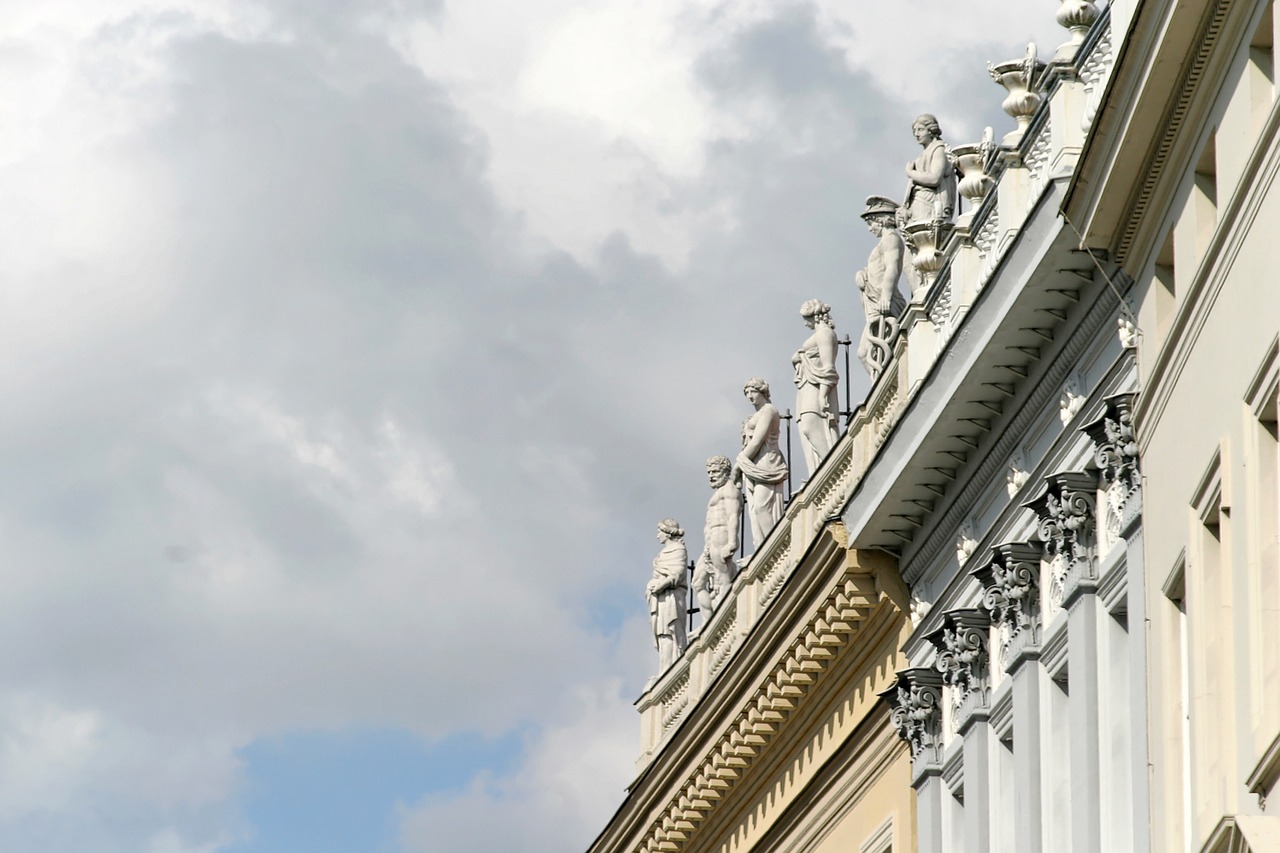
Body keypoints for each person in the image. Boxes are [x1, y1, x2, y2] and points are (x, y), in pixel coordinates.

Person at [856, 196, 909, 379]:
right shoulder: (884, 242)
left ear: (881, 220)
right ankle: (887, 382)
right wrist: (862, 275)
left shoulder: (891, 239)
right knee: (865, 353)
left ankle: (895, 381)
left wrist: (886, 296)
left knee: (877, 350)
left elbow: (892, 268)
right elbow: (877, 270)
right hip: (876, 302)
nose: (871, 228)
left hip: (886, 303)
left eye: (872, 223)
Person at [736, 379, 788, 553]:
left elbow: (758, 440)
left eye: (753, 392)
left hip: (767, 463)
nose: (750, 396)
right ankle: (762, 549)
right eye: (747, 393)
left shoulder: (769, 411)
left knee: (761, 507)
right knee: (753, 510)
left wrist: (738, 464)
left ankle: (776, 549)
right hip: (754, 463)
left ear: (762, 392)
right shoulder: (756, 415)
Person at [792, 300, 840, 477]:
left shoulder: (825, 334)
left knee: (810, 428)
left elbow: (828, 369)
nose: (805, 323)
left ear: (815, 316)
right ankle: (820, 473)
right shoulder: (820, 335)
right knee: (806, 433)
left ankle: (833, 469)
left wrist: (823, 395)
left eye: (806, 319)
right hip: (806, 387)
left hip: (816, 388)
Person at [693, 455, 742, 619]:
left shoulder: (729, 490)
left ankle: (725, 617)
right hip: (710, 540)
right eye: (709, 472)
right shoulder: (720, 492)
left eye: (715, 471)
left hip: (721, 535)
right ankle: (709, 623)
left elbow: (733, 516)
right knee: (698, 583)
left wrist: (732, 542)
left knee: (722, 578)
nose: (711, 476)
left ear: (725, 471)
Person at [646, 518, 689, 671]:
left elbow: (677, 573)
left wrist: (660, 586)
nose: (658, 535)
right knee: (663, 634)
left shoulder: (678, 550)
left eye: (660, 531)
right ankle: (664, 670)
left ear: (667, 532)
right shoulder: (663, 553)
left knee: (671, 632)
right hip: (660, 599)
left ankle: (673, 667)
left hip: (672, 597)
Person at [902, 113, 957, 226]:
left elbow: (934, 178)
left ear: (931, 130)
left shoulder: (938, 149)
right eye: (915, 131)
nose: (916, 134)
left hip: (930, 202)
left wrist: (910, 172)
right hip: (920, 200)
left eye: (920, 130)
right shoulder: (923, 155)